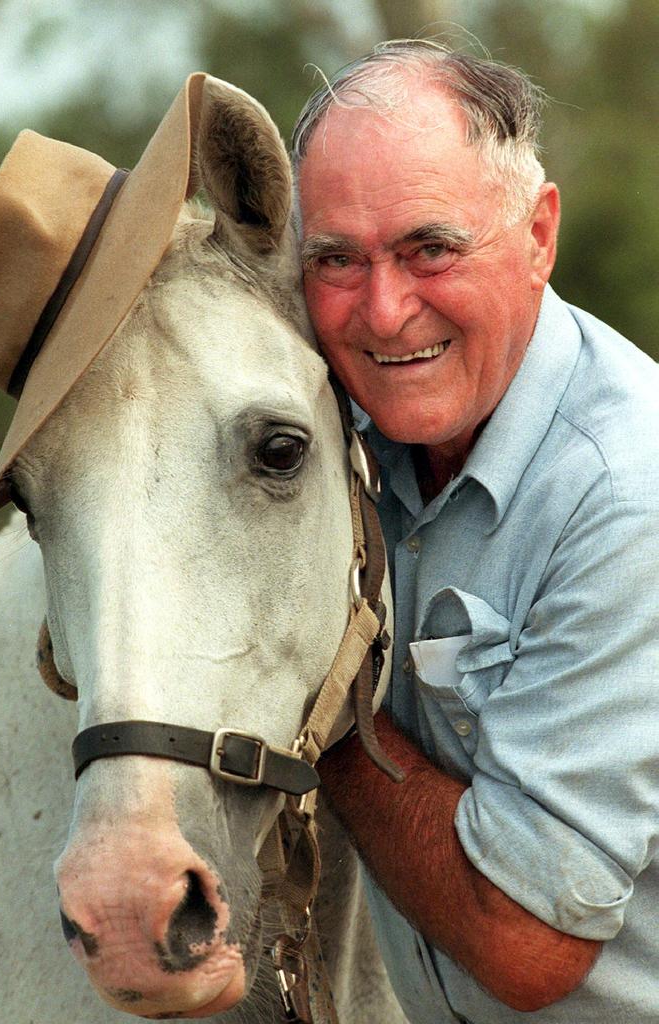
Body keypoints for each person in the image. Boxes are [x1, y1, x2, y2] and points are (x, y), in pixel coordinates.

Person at [292, 39, 659, 1024]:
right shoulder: (334, 434)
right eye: (336, 259)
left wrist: (320, 709)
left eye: (429, 248)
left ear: (538, 234)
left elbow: (528, 944)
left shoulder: (628, 495)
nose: (382, 308)